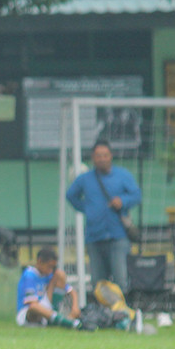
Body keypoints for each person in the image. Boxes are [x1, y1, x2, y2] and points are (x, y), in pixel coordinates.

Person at [66, 140, 142, 291]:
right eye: (98, 156)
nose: (102, 159)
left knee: (121, 280)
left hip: (118, 236)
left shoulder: (123, 175)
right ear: (93, 158)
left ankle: (121, 313)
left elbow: (136, 195)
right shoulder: (85, 179)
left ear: (111, 156)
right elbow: (71, 196)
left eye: (105, 155)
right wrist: (87, 209)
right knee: (99, 283)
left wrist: (123, 201)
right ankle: (102, 313)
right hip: (95, 237)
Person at [16, 246, 82, 329]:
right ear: (40, 261)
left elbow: (72, 291)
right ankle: (65, 322)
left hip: (45, 308)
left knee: (60, 275)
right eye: (49, 266)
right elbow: (32, 304)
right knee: (34, 308)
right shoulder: (30, 275)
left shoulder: (49, 275)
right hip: (27, 312)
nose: (51, 270)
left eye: (53, 267)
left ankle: (53, 317)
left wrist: (75, 307)